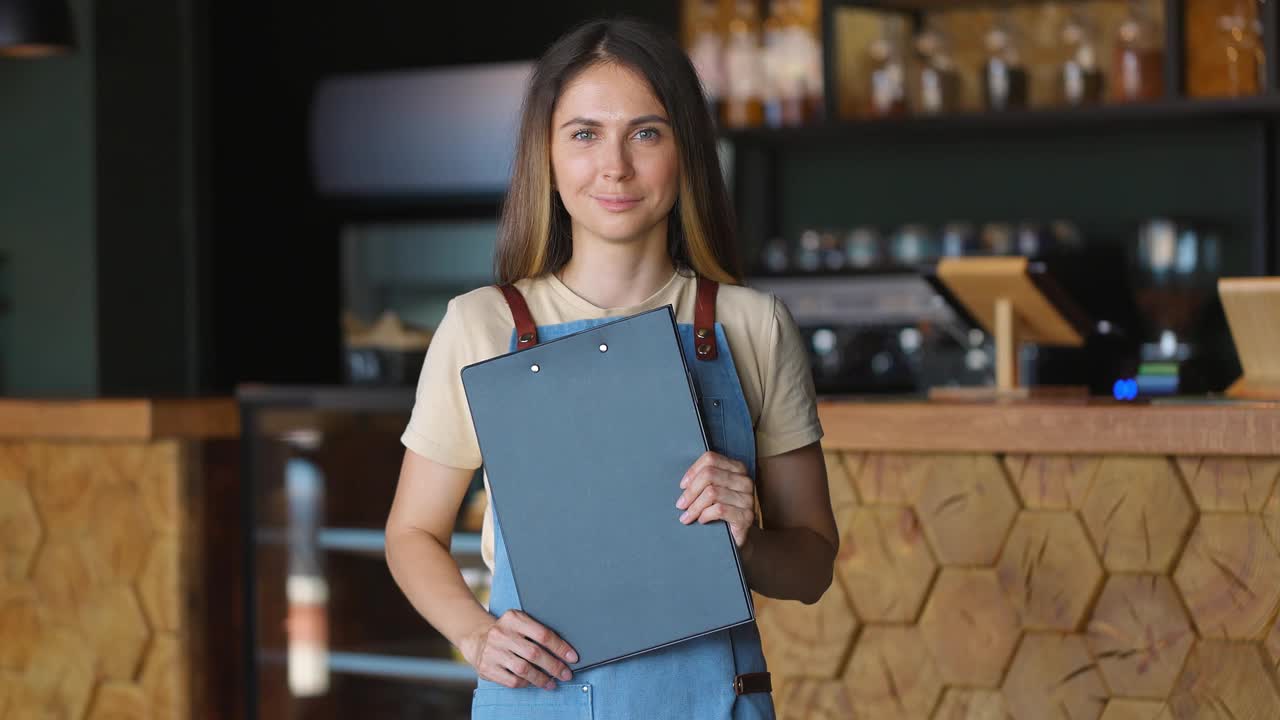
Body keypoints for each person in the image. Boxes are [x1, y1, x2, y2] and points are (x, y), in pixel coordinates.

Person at [384, 17, 838, 720]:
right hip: (536, 704)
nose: (615, 166)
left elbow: (811, 567)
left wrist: (747, 541)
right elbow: (411, 534)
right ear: (548, 153)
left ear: (687, 151)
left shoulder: (752, 325)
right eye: (585, 133)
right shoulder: (483, 325)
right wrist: (475, 636)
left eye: (647, 133)